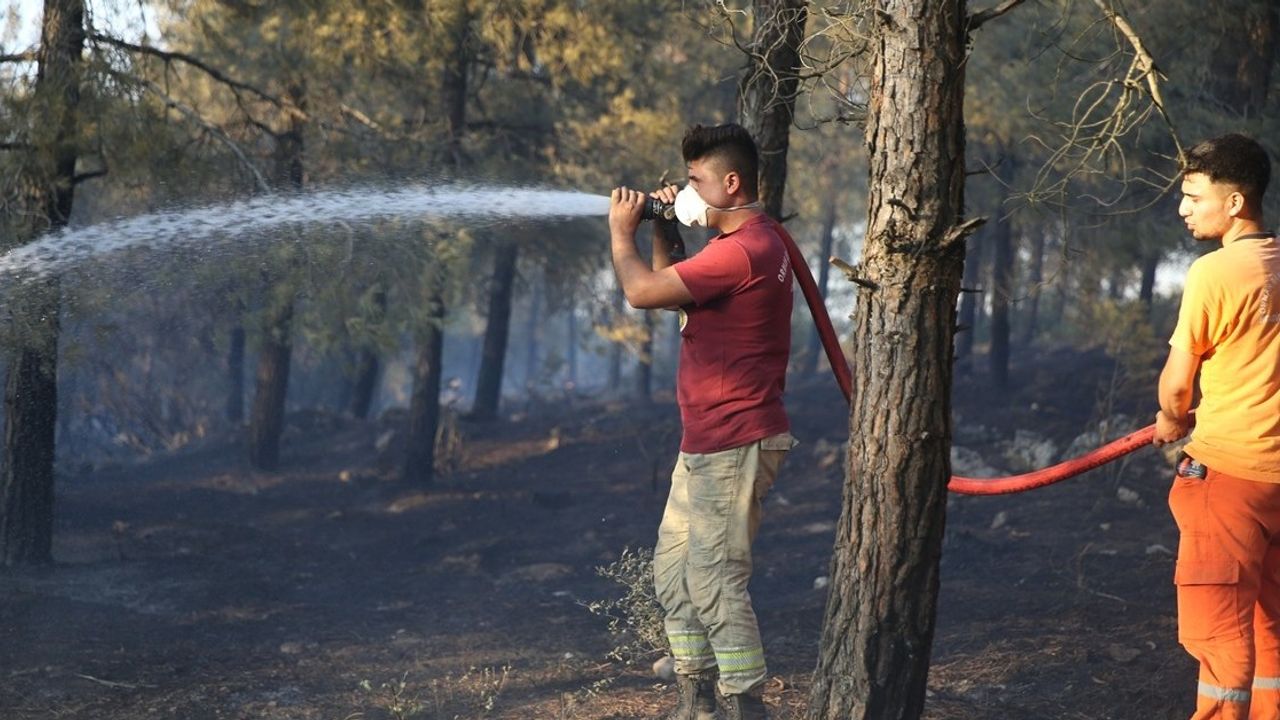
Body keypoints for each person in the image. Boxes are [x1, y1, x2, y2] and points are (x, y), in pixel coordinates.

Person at [608, 123, 797, 720]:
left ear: (731, 184)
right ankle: (697, 704)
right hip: (707, 442)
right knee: (675, 577)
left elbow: (640, 292)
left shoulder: (745, 250)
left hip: (737, 440)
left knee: (714, 582)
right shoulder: (737, 249)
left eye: (694, 180)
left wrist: (621, 233)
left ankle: (745, 708)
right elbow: (673, 291)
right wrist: (664, 225)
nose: (684, 187)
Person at [1153, 132, 1279, 720]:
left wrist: (1170, 419)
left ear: (1234, 203)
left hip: (1228, 479)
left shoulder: (1214, 272)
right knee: (1272, 633)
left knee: (1220, 643)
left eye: (1193, 195)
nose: (1183, 207)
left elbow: (1179, 386)